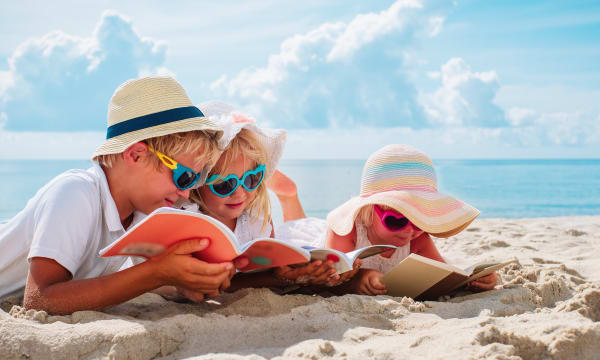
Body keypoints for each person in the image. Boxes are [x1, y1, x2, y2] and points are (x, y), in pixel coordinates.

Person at [0, 77, 246, 314]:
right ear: (136, 155)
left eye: (195, 179)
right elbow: (39, 299)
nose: (186, 192)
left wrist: (181, 284)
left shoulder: (139, 213)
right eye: (183, 177)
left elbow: (112, 280)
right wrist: (156, 272)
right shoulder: (75, 192)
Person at [272, 144, 497, 296]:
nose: (410, 231)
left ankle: (290, 197)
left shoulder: (418, 238)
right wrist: (361, 276)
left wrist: (474, 280)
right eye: (396, 220)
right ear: (370, 211)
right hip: (311, 240)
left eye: (418, 222)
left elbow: (444, 274)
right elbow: (332, 277)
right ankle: (289, 196)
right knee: (296, 226)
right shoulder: (345, 230)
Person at [182, 101, 341, 291]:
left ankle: (288, 194)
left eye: (251, 179)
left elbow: (273, 269)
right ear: (198, 186)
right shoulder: (190, 223)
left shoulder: (257, 221)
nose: (239, 192)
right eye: (224, 184)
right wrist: (277, 278)